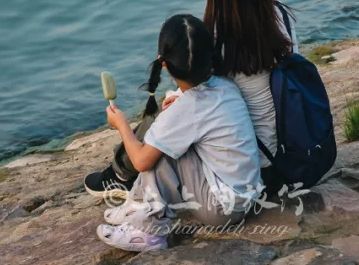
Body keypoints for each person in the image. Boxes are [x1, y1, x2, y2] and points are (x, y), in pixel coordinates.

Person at [97, 13, 263, 253]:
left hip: (222, 209)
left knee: (157, 151)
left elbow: (141, 161)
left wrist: (122, 125)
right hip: (243, 196)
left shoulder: (189, 107)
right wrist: (177, 102)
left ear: (163, 63)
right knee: (165, 136)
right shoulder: (225, 85)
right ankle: (137, 204)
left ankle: (149, 232)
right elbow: (200, 115)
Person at [203, 0, 295, 169]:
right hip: (287, 151)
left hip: (248, 163)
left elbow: (203, 109)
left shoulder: (213, 37)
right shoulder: (280, 16)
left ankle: (122, 173)